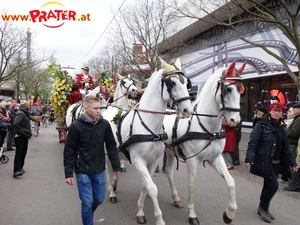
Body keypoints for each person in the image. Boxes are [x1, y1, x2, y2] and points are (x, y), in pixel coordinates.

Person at [64, 95, 120, 225]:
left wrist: (115, 165)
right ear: (86, 108)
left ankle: (88, 213)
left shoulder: (104, 124)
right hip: (82, 170)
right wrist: (68, 173)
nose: (98, 111)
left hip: (99, 169)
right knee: (87, 202)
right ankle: (88, 221)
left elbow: (111, 145)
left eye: (99, 108)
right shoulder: (76, 127)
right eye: (95, 108)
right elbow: (69, 151)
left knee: (99, 199)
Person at [244, 102, 298, 223]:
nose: (276, 112)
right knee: (274, 185)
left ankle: (262, 207)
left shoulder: (282, 126)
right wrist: (249, 158)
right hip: (264, 161)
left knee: (268, 184)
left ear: (282, 113)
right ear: (270, 111)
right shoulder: (261, 124)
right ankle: (263, 208)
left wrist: (292, 163)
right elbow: (253, 142)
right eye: (274, 110)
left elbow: (286, 147)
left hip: (277, 162)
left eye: (279, 111)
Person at [12, 100, 32, 178]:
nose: (29, 105)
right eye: (28, 104)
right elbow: (16, 124)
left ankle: (20, 167)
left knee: (23, 152)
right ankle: (16, 170)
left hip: (24, 135)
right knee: (19, 153)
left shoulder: (24, 113)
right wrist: (22, 133)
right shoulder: (21, 113)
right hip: (20, 136)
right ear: (25, 106)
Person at [283, 103, 300, 192]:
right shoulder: (296, 119)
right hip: (291, 143)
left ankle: (294, 184)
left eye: (294, 109)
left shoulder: (298, 120)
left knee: (292, 164)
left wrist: (285, 132)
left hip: (293, 144)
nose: (292, 110)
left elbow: (294, 133)